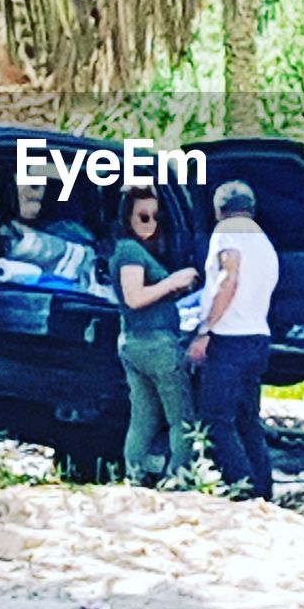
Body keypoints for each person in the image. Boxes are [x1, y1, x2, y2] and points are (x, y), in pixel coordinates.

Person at [188, 180, 279, 500]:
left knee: (215, 420)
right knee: (247, 420)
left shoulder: (228, 232)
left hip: (230, 340)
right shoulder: (264, 242)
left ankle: (242, 489)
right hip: (258, 337)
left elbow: (229, 280)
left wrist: (205, 331)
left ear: (219, 209)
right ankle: (264, 491)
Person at [110, 187, 199, 484]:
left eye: (155, 217)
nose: (149, 223)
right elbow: (134, 296)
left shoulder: (132, 250)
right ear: (128, 217)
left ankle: (134, 478)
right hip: (155, 343)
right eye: (142, 216)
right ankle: (180, 480)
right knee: (182, 420)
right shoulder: (130, 251)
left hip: (136, 342)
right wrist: (173, 282)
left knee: (144, 419)